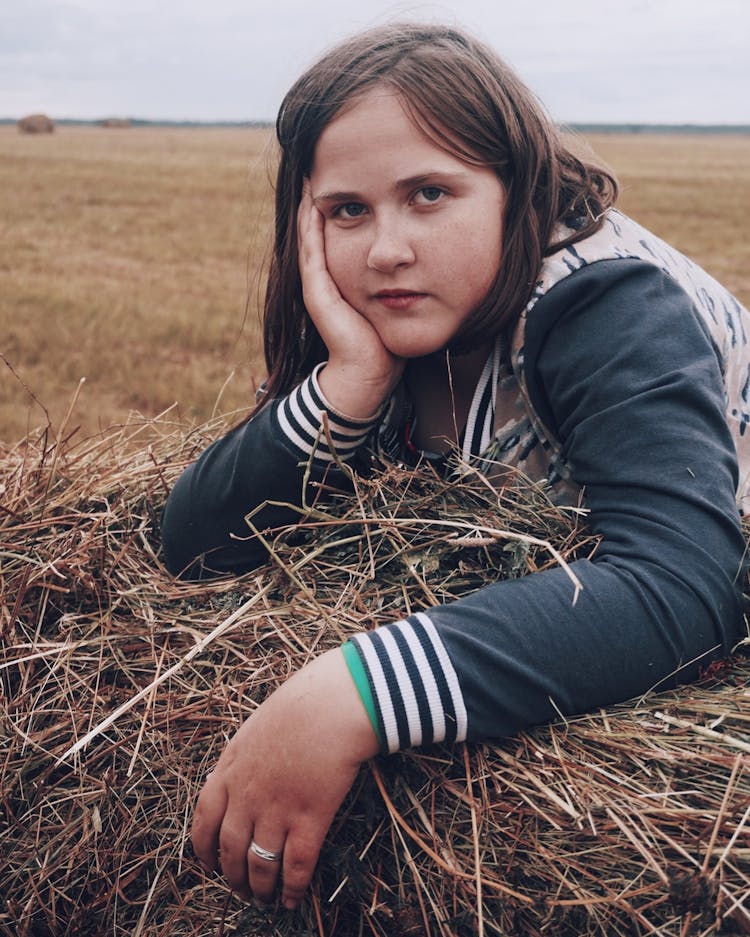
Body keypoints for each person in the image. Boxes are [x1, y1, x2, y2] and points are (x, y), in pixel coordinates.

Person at [160, 22, 750, 911]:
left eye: (429, 193)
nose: (386, 249)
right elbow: (192, 542)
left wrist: (352, 692)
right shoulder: (404, 323)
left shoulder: (606, 302)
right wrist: (351, 380)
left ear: (519, 189)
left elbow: (689, 582)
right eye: (347, 210)